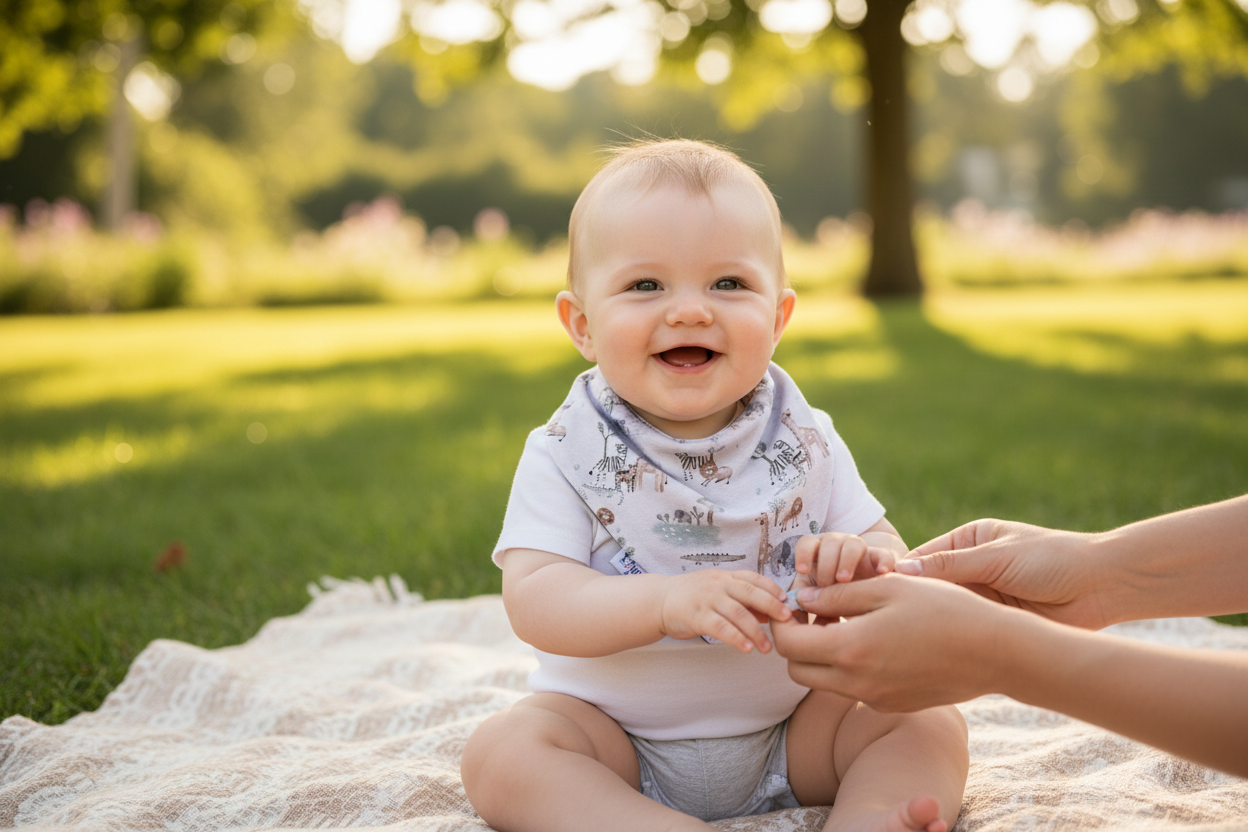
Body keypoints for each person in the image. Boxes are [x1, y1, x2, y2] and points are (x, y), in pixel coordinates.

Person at [460, 140, 970, 832]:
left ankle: (875, 820)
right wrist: (665, 600)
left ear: (779, 318)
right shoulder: (565, 452)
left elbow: (884, 546)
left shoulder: (802, 435)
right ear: (582, 325)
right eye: (646, 286)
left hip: (794, 731)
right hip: (617, 744)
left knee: (924, 717)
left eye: (728, 284)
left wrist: (858, 558)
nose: (692, 311)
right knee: (504, 754)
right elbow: (537, 601)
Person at [771, 495, 1248, 777]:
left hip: (804, 742)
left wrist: (1000, 652)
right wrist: (1097, 572)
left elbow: (874, 537)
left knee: (927, 727)